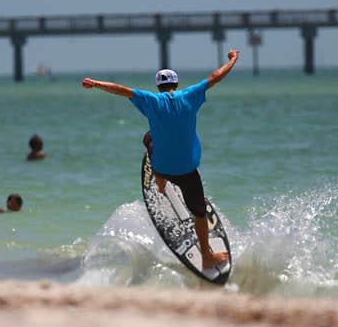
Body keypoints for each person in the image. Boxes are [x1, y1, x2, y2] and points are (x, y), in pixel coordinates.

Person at [82, 49, 240, 270]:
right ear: (177, 83)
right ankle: (207, 256)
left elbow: (121, 90)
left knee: (150, 139)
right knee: (200, 214)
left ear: (158, 86)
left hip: (161, 166)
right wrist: (232, 60)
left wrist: (95, 83)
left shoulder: (150, 100)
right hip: (187, 170)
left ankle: (160, 182)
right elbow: (216, 77)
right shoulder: (191, 95)